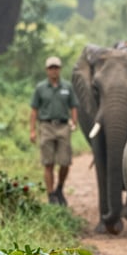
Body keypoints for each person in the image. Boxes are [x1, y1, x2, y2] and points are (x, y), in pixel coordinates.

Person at [29, 56, 79, 206]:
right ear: (47, 70)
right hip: (46, 126)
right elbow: (34, 110)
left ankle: (60, 188)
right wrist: (32, 130)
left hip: (63, 126)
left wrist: (74, 121)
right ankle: (51, 195)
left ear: (60, 69)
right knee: (48, 163)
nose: (54, 71)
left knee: (65, 162)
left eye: (56, 67)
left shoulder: (67, 87)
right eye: (51, 68)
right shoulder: (40, 88)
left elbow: (74, 106)